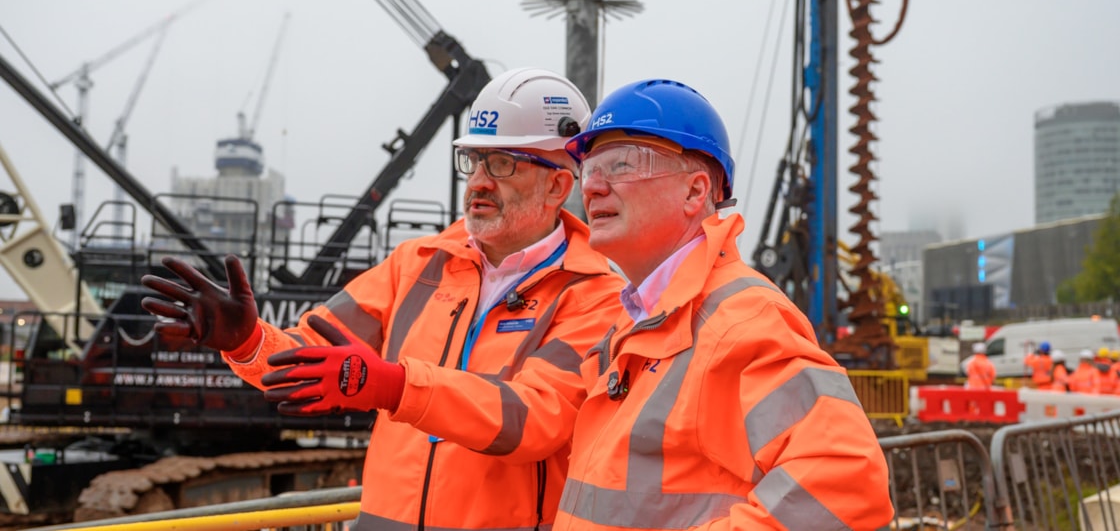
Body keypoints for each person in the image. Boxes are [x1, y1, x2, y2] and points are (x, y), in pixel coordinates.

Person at [140, 67, 626, 530]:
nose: (478, 180)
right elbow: (306, 360)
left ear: (557, 185)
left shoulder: (594, 295)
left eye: (501, 164)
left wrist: (394, 386)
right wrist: (248, 341)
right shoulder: (417, 264)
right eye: (473, 160)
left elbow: (532, 419)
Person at [554, 78, 893, 530]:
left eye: (620, 165)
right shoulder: (640, 320)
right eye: (590, 169)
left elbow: (847, 481)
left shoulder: (740, 321)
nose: (593, 188)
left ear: (696, 193)